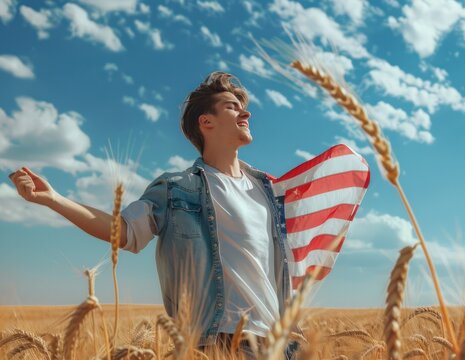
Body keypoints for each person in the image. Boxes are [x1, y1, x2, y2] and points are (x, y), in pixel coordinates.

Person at [9, 72, 298, 358]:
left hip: (278, 345)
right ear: (206, 121)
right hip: (221, 343)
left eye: (243, 106)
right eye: (232, 106)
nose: (245, 112)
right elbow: (122, 231)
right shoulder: (177, 189)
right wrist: (53, 199)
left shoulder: (268, 191)